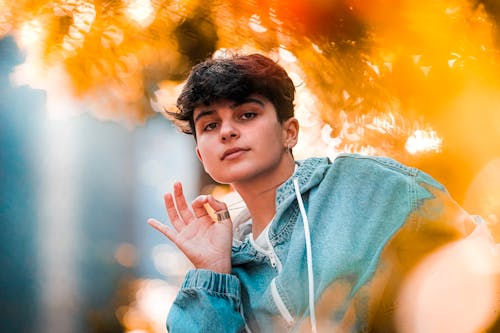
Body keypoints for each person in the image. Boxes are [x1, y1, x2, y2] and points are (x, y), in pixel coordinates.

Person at [147, 53, 499, 332]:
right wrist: (212, 271)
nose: (226, 132)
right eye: (210, 125)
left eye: (247, 114)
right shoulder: (226, 267)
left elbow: (474, 252)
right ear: (201, 155)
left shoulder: (361, 184)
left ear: (290, 132)